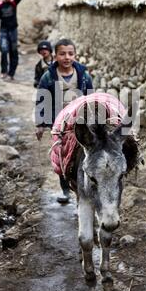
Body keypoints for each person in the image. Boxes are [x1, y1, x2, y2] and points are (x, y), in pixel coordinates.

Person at [35, 39, 93, 204]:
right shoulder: (49, 76)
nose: (66, 57)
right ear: (55, 56)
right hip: (58, 124)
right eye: (62, 54)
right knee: (61, 156)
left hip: (81, 123)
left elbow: (91, 96)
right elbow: (41, 100)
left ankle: (84, 189)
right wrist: (40, 123)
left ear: (75, 55)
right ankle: (66, 190)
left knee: (84, 154)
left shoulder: (83, 75)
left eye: (70, 53)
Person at [0, 0, 24, 81]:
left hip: (13, 30)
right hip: (3, 31)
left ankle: (11, 73)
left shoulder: (14, 3)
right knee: (3, 50)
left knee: (13, 51)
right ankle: (4, 71)